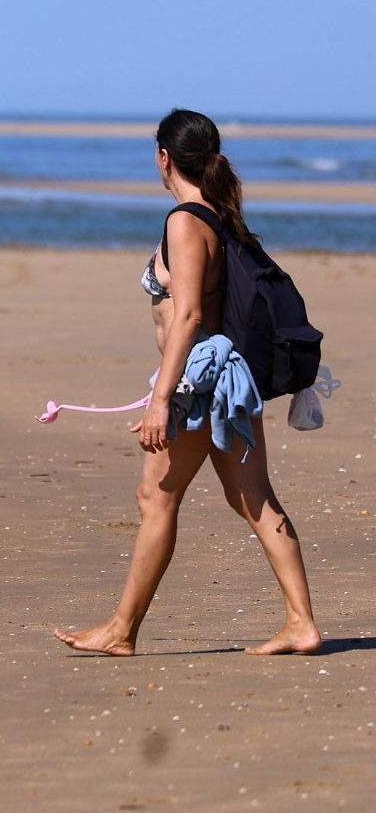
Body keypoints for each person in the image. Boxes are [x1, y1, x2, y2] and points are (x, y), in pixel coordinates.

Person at [54, 109, 320, 657]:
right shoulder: (218, 216)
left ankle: (121, 631)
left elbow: (191, 314)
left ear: (164, 157)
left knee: (156, 497)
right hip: (228, 378)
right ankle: (301, 623)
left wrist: (160, 400)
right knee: (252, 497)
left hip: (198, 384)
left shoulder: (186, 221)